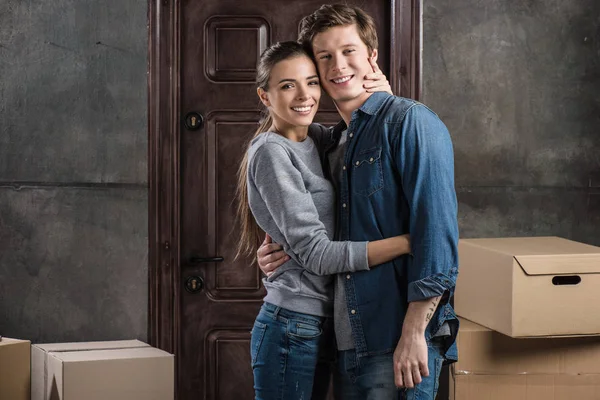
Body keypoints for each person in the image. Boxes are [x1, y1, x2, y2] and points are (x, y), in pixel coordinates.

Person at [256, 4, 460, 399]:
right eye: (325, 57)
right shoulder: (332, 143)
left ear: (372, 57)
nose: (338, 66)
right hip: (347, 341)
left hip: (396, 337)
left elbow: (437, 238)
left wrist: (415, 332)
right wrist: (275, 254)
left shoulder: (411, 122)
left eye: (349, 51)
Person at [235, 41, 414, 400]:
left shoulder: (317, 138)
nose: (305, 95)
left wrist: (386, 96)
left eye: (312, 82)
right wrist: (408, 242)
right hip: (292, 325)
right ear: (265, 96)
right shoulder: (272, 152)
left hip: (324, 324)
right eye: (287, 85)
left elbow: (368, 133)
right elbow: (317, 255)